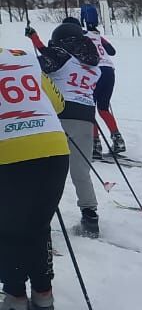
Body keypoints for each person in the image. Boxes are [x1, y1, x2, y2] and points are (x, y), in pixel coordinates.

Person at [0, 47, 70, 310]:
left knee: (8, 229)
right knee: (38, 225)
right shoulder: (22, 58)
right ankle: (44, 296)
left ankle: (16, 300)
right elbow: (58, 103)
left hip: (10, 154)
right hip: (53, 149)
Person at [27, 25, 101, 238]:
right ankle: (90, 216)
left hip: (59, 117)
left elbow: (39, 66)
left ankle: (36, 217)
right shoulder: (92, 64)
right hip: (86, 119)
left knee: (45, 168)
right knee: (80, 171)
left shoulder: (62, 54)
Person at [85, 24, 126, 157]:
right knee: (103, 108)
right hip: (109, 70)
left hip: (95, 71)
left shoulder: (80, 37)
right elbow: (112, 51)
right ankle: (118, 139)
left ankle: (95, 144)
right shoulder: (97, 36)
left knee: (89, 109)